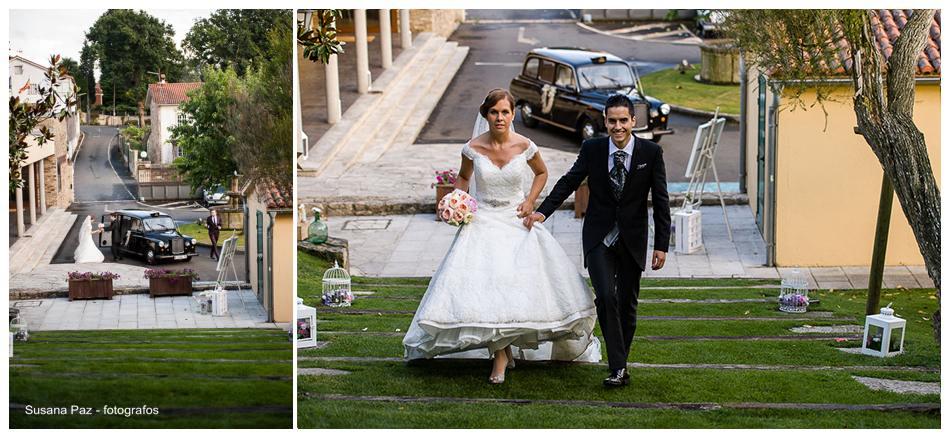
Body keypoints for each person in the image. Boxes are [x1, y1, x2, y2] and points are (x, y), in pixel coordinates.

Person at [402, 88, 601, 384]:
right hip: (482, 221)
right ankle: (500, 356)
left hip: (515, 220)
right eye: (494, 112)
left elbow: (542, 173)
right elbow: (465, 178)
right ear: (486, 115)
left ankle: (504, 355)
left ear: (512, 115)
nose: (500, 117)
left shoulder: (525, 145)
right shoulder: (472, 148)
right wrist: (458, 201)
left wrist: (531, 200)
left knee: (511, 287)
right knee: (488, 288)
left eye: (505, 112)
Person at [524, 94, 671, 387]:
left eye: (623, 121)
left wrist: (662, 245)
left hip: (633, 238)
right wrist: (542, 213)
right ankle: (618, 368)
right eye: (612, 121)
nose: (617, 127)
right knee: (606, 296)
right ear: (605, 121)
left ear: (633, 121)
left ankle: (620, 364)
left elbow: (662, 200)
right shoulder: (592, 149)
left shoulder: (651, 153)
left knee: (628, 304)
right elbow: (569, 181)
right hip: (598, 237)